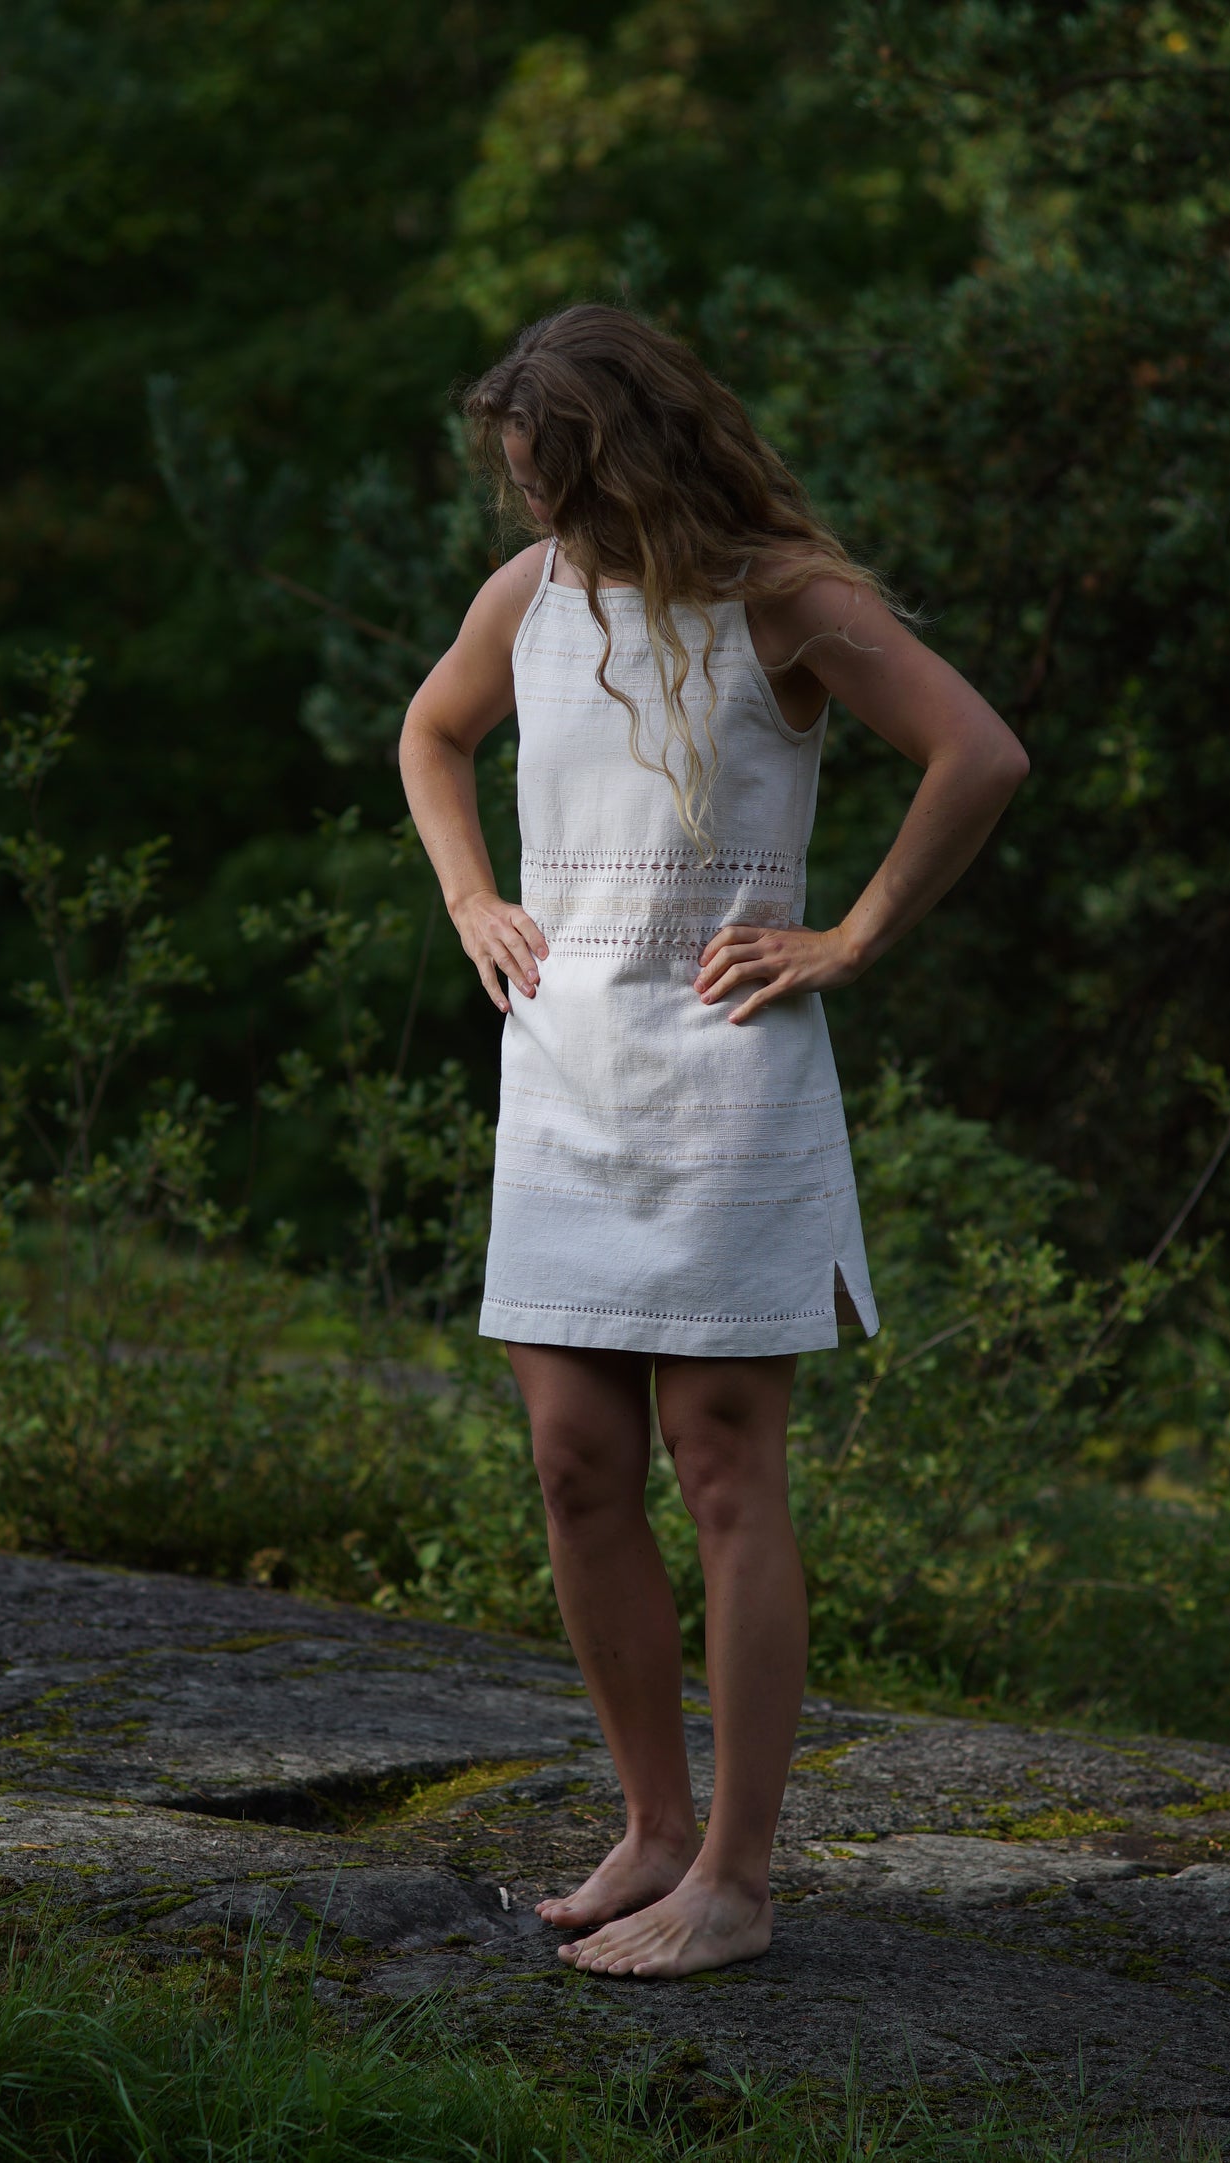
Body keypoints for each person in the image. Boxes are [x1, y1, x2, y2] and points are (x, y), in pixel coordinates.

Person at [398, 303, 1028, 1979]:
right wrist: (471, 895)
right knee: (573, 1467)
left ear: (634, 451)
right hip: (566, 1077)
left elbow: (979, 753)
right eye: (523, 484)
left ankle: (737, 1878)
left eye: (558, 480)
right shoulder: (529, 600)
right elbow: (430, 732)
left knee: (728, 1473)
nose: (537, 513)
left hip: (731, 1076)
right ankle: (652, 1828)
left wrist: (849, 936)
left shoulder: (785, 598)